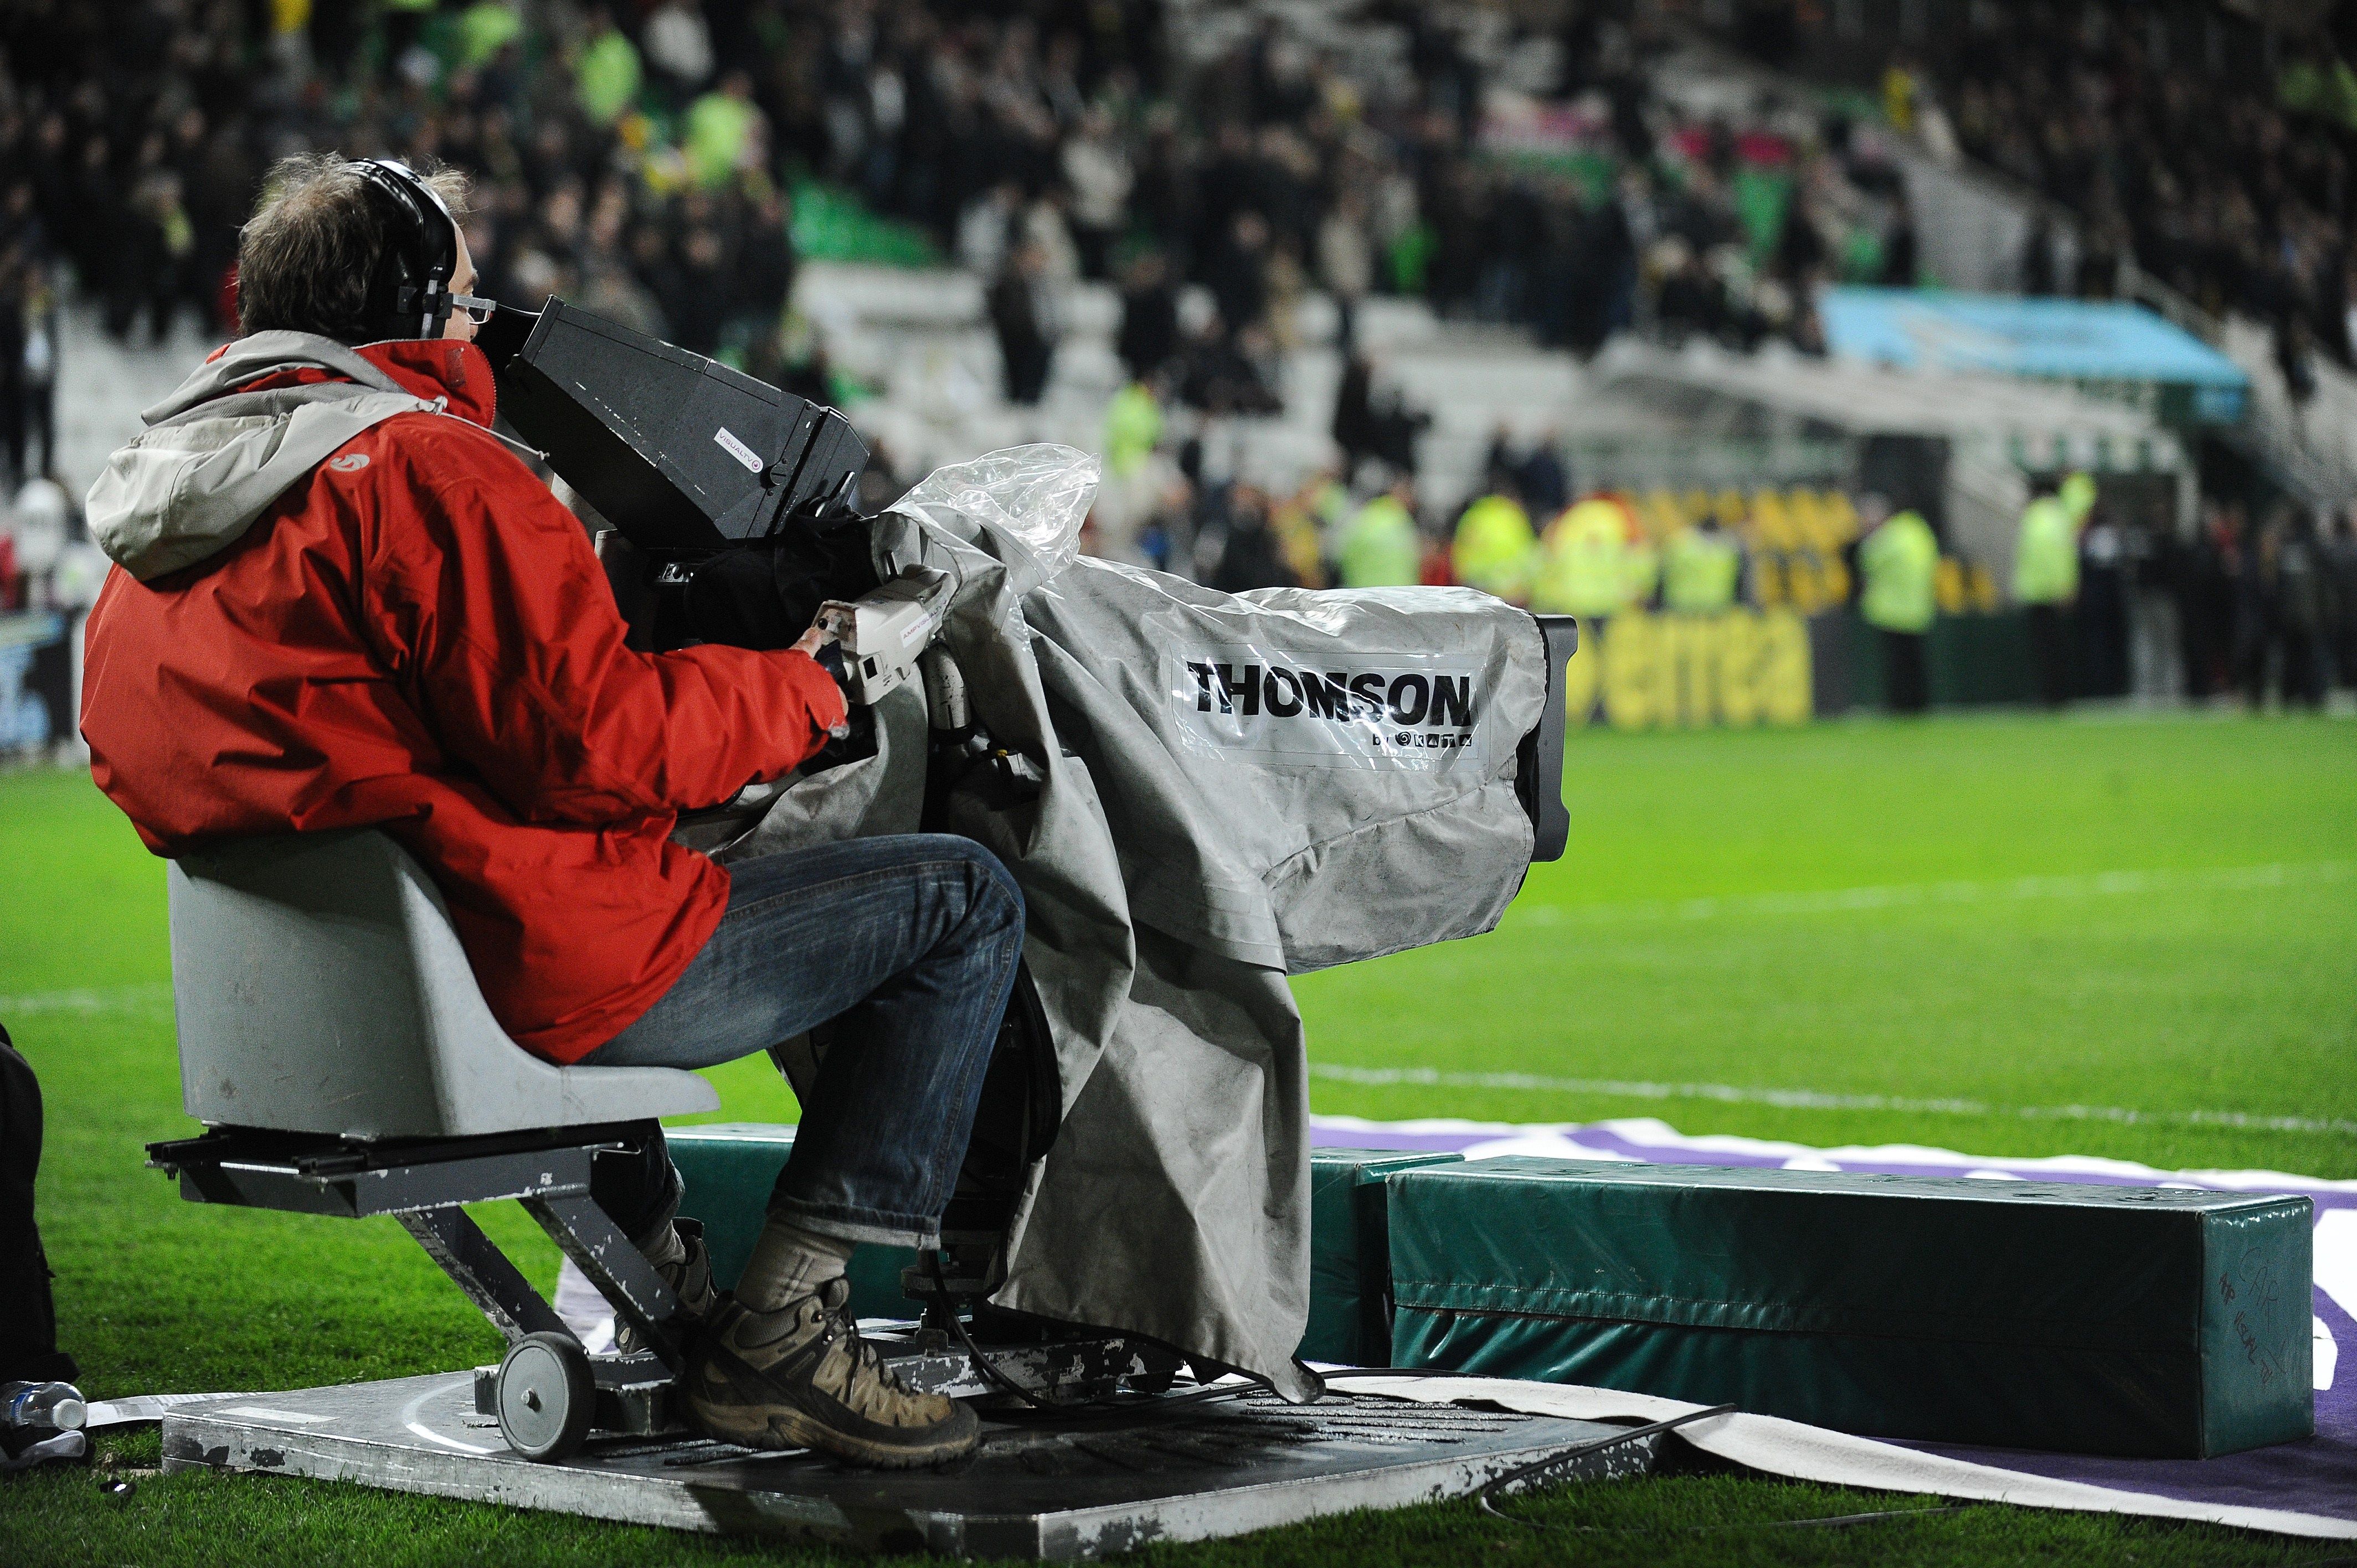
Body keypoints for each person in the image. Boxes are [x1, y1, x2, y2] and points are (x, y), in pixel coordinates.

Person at [76, 157, 1019, 1469]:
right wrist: (808, 683)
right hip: (524, 969)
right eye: (462, 293)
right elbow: (602, 747)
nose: (481, 323)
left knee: (626, 862)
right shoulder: (425, 471)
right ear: (409, 307)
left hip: (345, 1000)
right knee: (964, 898)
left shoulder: (156, 517)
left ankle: (677, 1292)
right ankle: (791, 1325)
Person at [1856, 497, 1938, 715]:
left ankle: (1900, 706)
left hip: (1893, 611)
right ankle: (1919, 705)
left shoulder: (1891, 537)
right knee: (1916, 663)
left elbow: (1867, 559)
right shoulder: (1920, 533)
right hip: (1918, 609)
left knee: (1897, 665)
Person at [2013, 475, 2085, 707]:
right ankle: (2059, 696)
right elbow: (2066, 556)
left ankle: (2048, 696)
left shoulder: (2032, 517)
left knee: (2042, 650)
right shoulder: (2060, 517)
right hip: (2057, 593)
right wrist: (2068, 586)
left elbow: (2026, 557)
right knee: (2057, 649)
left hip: (2035, 593)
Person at [1449, 488, 1537, 604]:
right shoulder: (1516, 517)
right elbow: (1531, 557)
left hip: (1477, 593)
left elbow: (1458, 558)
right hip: (1513, 594)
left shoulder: (1474, 515)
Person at [1335, 474, 1422, 587]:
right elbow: (1415, 558)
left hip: (1364, 592)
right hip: (1399, 593)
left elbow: (1344, 556)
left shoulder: (1363, 518)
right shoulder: (1401, 521)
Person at [1661, 512, 1742, 616]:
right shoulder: (1730, 547)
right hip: (1717, 606)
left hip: (1681, 605)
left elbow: (1664, 574)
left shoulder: (1679, 543)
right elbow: (1740, 580)